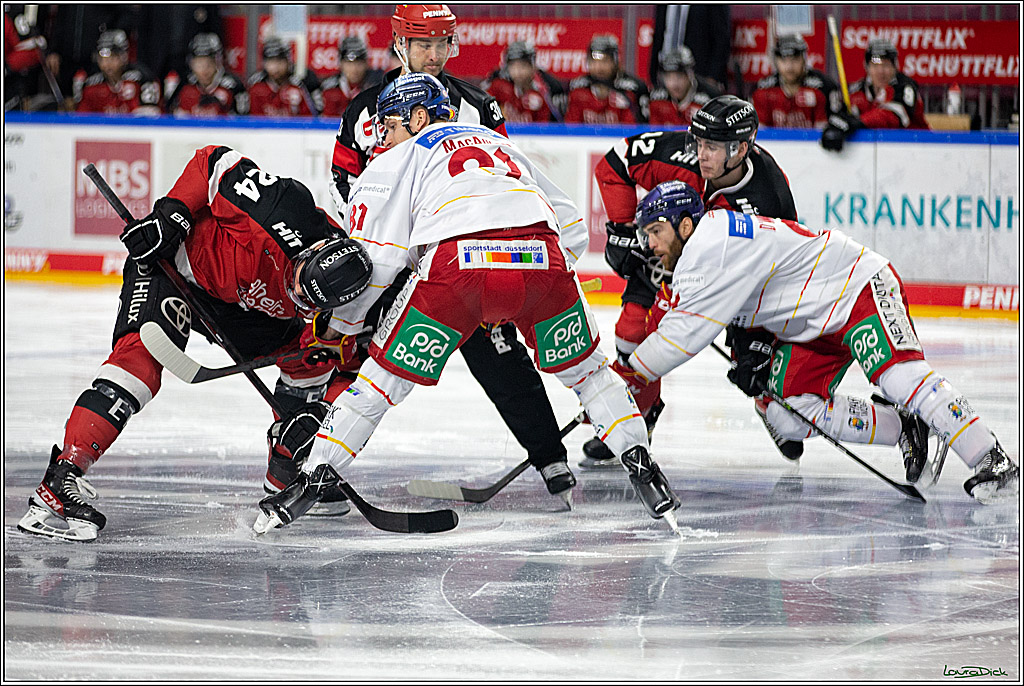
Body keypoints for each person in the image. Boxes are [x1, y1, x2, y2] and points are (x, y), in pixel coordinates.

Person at [254, 73, 680, 534]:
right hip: (543, 261)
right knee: (590, 375)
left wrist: (342, 326)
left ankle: (315, 477)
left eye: (391, 125)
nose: (384, 137)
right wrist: (529, 286)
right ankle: (642, 463)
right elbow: (573, 227)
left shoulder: (397, 159)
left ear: (418, 117)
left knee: (378, 383)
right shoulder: (502, 145)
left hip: (458, 270)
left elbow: (377, 259)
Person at [17, 145, 373, 542]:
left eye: (310, 304)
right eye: (298, 288)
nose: (299, 300)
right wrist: (171, 219)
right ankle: (61, 482)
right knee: (142, 363)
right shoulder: (280, 209)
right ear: (307, 255)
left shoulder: (355, 294)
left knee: (314, 362)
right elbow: (212, 160)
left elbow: (353, 364)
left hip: (243, 306)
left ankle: (288, 467)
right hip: (174, 268)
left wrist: (319, 413)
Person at [623, 179, 1018, 505]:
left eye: (655, 231)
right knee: (787, 415)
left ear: (685, 225)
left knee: (897, 377)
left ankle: (991, 457)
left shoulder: (709, 246)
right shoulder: (704, 244)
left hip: (856, 288)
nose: (650, 244)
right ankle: (902, 426)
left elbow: (682, 335)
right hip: (814, 328)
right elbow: (683, 316)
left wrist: (623, 377)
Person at [329, 4, 577, 497]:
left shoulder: (479, 106)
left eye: (443, 44)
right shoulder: (364, 108)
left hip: (459, 254)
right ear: (400, 42)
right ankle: (321, 467)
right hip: (388, 253)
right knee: (352, 351)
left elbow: (503, 179)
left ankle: (550, 458)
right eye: (424, 44)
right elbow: (343, 181)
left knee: (499, 348)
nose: (435, 55)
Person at [587, 95, 803, 468]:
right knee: (629, 334)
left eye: (713, 147)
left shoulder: (770, 196)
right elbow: (614, 165)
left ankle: (766, 400)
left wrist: (756, 339)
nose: (701, 154)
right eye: (699, 142)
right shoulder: (681, 153)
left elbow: (777, 272)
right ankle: (638, 415)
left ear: (741, 148)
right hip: (667, 257)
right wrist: (621, 230)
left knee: (754, 366)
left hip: (728, 278)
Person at [821, 38, 929, 152]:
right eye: (875, 65)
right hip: (874, 151)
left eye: (886, 65)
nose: (880, 71)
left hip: (916, 149)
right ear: (867, 67)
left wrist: (858, 122)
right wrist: (834, 127)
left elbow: (892, 117)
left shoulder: (905, 87)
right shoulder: (856, 91)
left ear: (895, 66)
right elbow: (842, 116)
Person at [752, 34, 843, 129]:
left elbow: (836, 122)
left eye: (795, 59)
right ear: (776, 61)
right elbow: (759, 132)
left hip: (814, 143)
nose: (789, 66)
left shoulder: (824, 87)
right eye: (783, 60)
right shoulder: (763, 88)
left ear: (804, 59)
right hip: (773, 144)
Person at [565, 35, 649, 124]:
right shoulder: (577, 88)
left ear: (615, 61)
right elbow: (570, 130)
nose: (599, 67)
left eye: (605, 61)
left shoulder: (632, 89)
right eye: (594, 61)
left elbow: (634, 129)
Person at [75, 29, 161, 115]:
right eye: (102, 57)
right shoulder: (91, 84)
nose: (106, 63)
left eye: (113, 56)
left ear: (124, 56)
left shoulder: (141, 79)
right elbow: (82, 117)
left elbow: (151, 114)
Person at [482, 41, 567, 123]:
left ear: (533, 66)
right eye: (513, 66)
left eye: (523, 66)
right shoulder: (497, 80)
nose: (517, 72)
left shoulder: (549, 86)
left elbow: (559, 122)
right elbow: (481, 108)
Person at [166, 33, 247, 116]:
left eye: (209, 63)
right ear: (191, 63)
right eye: (199, 63)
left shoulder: (234, 86)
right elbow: (169, 115)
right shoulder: (184, 83)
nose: (204, 69)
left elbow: (244, 121)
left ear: (217, 62)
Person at [647, 47, 722, 127]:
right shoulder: (655, 99)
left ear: (690, 74)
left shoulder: (710, 99)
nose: (674, 84)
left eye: (679, 76)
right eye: (668, 77)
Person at [247, 36, 318, 117]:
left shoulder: (299, 84)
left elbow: (309, 119)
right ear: (264, 63)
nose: (275, 67)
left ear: (288, 62)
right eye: (271, 62)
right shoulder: (256, 86)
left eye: (280, 61)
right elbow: (249, 119)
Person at [317, 36, 384, 119]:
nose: (354, 69)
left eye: (359, 63)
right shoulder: (329, 88)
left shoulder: (377, 87)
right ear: (340, 63)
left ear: (366, 63)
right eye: (349, 63)